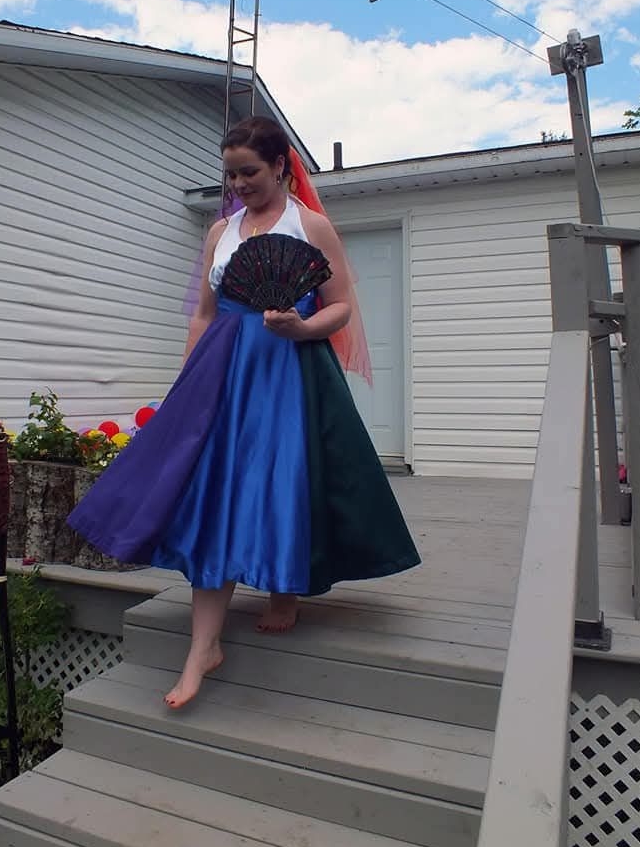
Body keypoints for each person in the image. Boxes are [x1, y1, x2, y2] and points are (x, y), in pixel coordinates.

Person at [68, 116, 421, 709]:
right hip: (222, 375)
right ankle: (202, 646)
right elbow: (204, 313)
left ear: (281, 166)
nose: (239, 184)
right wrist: (186, 380)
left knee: (285, 484)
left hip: (289, 374)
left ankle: (287, 587)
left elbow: (340, 309)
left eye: (249, 172)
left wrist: (301, 325)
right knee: (214, 498)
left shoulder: (310, 226)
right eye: (231, 174)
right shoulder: (220, 232)